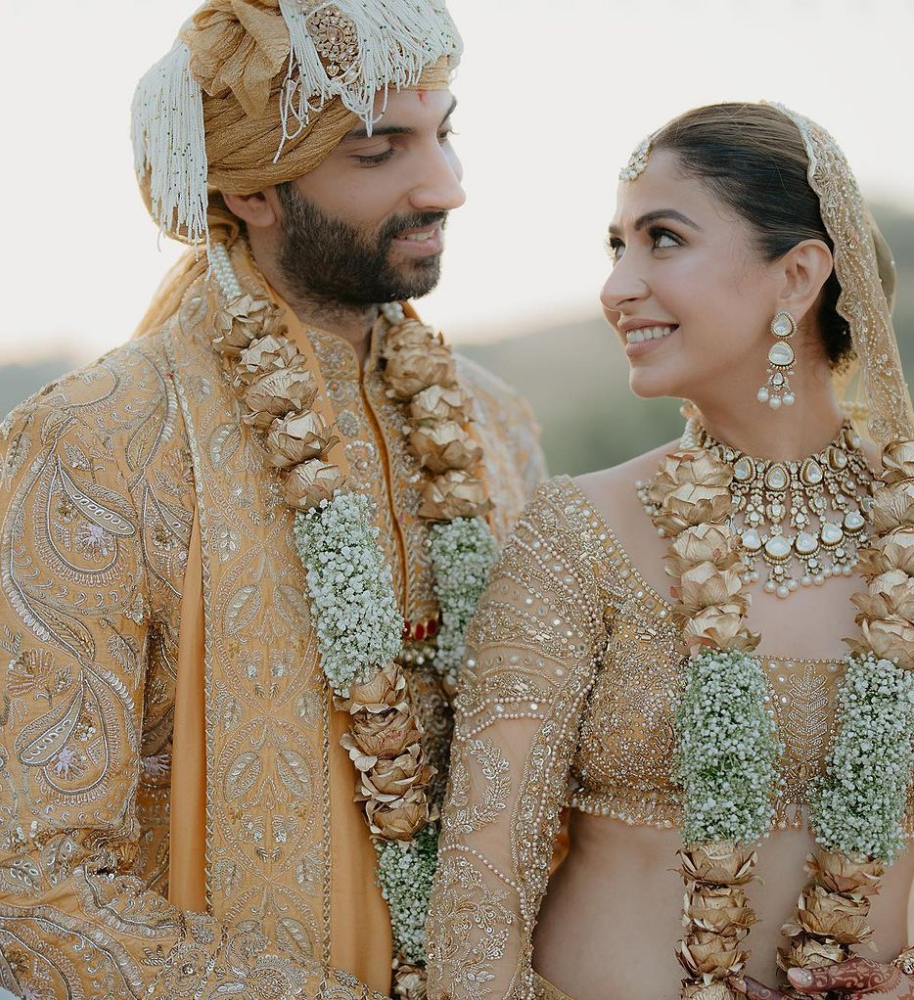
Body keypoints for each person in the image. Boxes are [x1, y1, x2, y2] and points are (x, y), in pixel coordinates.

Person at [0, 3, 546, 998]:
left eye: (445, 131)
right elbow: (35, 878)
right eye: (381, 150)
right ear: (251, 187)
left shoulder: (496, 428)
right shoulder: (95, 439)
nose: (448, 186)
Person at [424, 102, 914, 1000]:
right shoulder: (579, 530)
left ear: (798, 274)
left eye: (662, 240)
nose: (618, 287)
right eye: (615, 247)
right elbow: (478, 895)